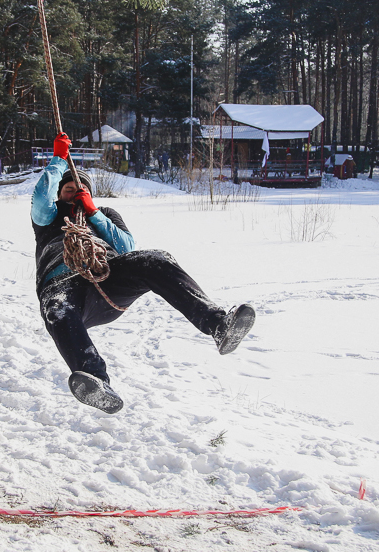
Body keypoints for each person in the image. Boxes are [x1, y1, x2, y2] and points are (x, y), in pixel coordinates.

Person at [31, 133, 255, 413]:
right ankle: (97, 382)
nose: (75, 192)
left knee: (154, 259)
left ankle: (218, 324)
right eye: (69, 188)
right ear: (60, 191)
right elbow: (40, 198)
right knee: (57, 308)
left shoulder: (104, 214)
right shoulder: (50, 216)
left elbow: (126, 246)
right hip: (63, 286)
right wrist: (57, 160)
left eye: (82, 189)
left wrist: (93, 213)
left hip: (107, 281)